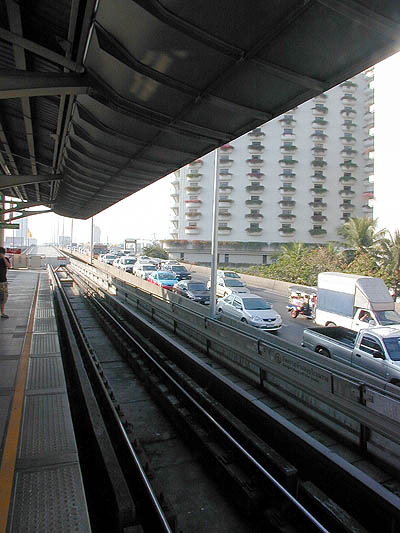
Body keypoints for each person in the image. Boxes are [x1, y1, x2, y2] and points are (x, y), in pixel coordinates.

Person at [0, 247, 11, 318]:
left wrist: (3, 258)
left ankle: (2, 312)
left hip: (3, 281)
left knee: (3, 298)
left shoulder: (5, 259)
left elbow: (9, 266)